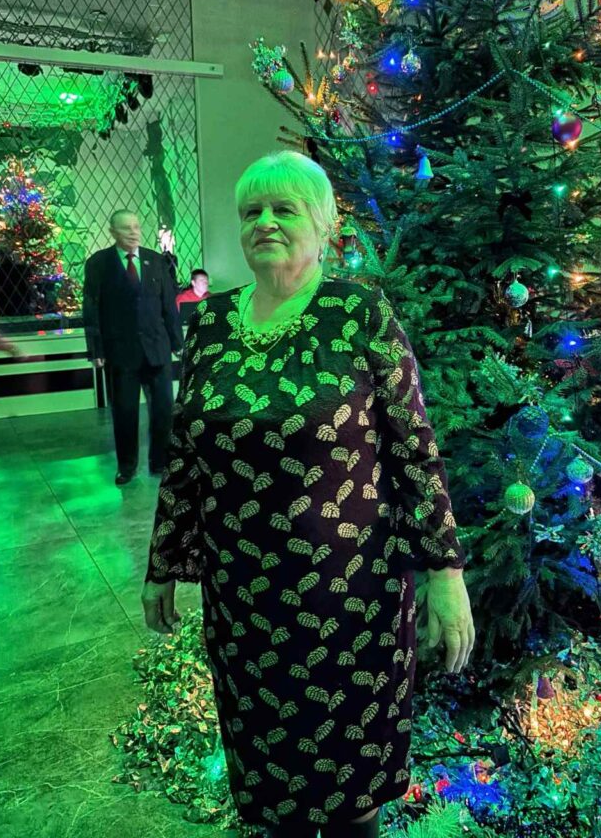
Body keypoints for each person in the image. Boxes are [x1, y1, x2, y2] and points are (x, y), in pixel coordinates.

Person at [142, 151, 474, 838]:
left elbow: (414, 448)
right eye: (251, 211)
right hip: (244, 604)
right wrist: (164, 563)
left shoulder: (358, 313)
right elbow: (185, 455)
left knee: (353, 796)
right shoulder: (211, 322)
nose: (263, 222)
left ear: (323, 225)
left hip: (350, 601)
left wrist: (445, 572)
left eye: (283, 208)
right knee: (272, 788)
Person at [83, 210, 183, 486]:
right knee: (125, 412)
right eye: (126, 228)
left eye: (136, 227)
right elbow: (91, 308)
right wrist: (96, 350)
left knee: (163, 411)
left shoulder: (156, 260)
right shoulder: (99, 263)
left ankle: (160, 463)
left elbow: (168, 305)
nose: (133, 233)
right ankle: (126, 467)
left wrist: (177, 342)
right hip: (120, 353)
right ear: (113, 232)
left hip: (157, 349)